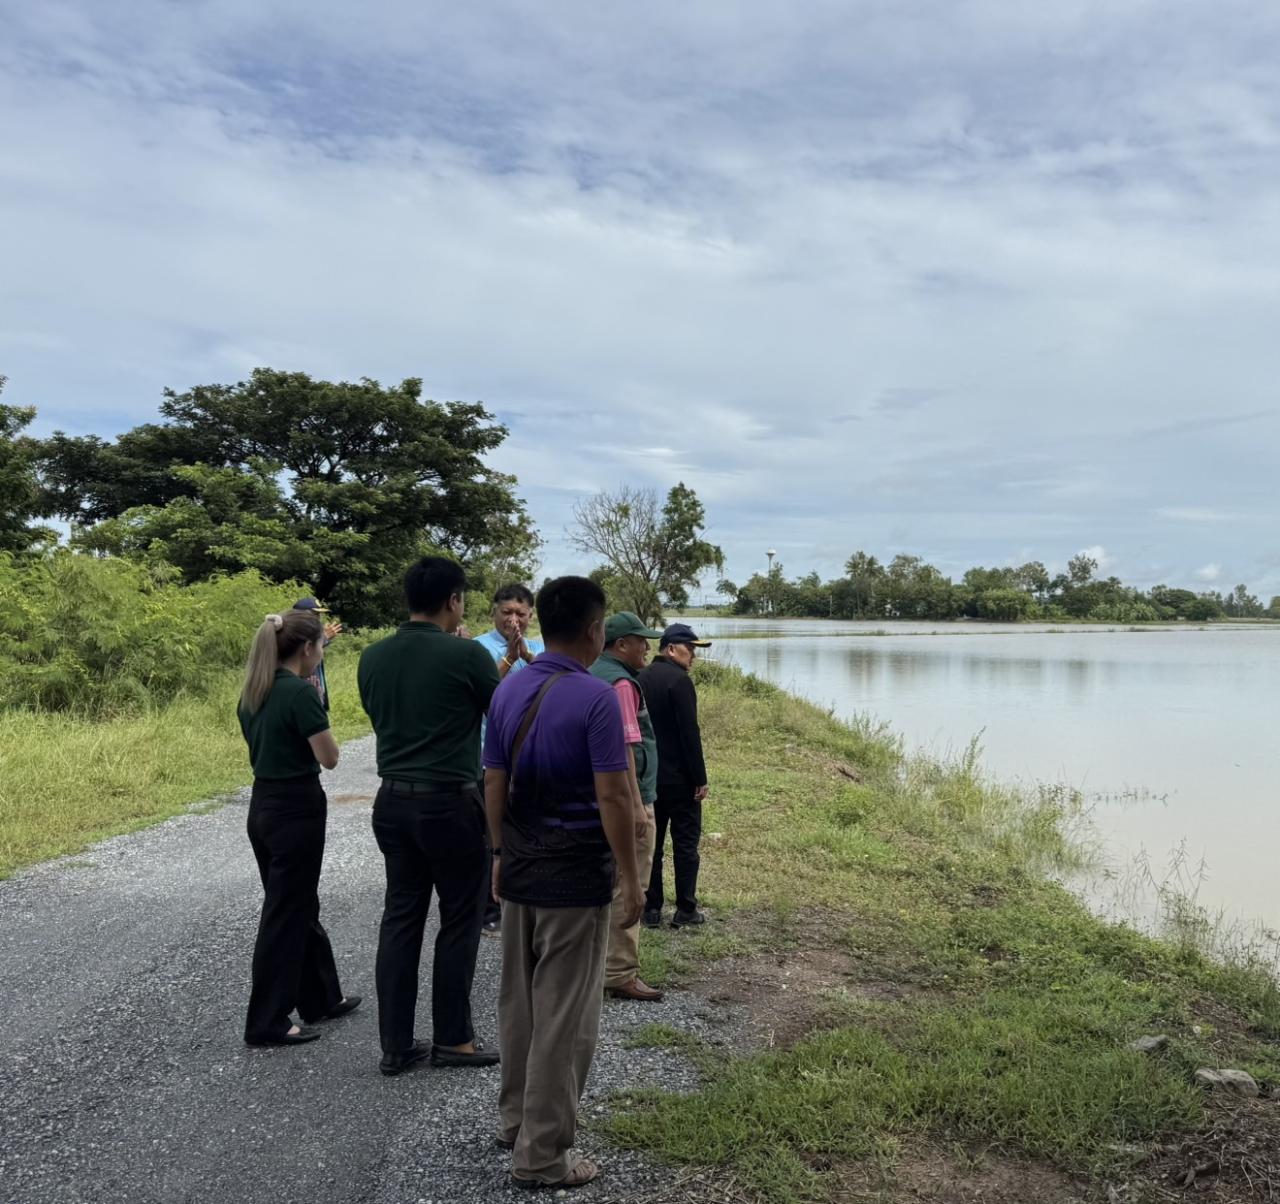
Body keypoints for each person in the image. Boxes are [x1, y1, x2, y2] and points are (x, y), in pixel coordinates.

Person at [483, 576, 642, 1190]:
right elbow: (614, 795)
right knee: (565, 1019)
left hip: (520, 868)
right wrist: (631, 879)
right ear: (595, 629)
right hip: (575, 878)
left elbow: (493, 782)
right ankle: (543, 1156)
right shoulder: (597, 698)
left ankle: (515, 1119)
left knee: (519, 1004)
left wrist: (498, 852)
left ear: (540, 622)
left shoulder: (508, 688)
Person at [358, 556, 501, 1076]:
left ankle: (396, 1045)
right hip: (451, 802)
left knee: (400, 919)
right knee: (459, 919)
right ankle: (454, 1039)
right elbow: (503, 722)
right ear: (454, 601)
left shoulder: (371, 657)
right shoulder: (466, 657)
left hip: (392, 802)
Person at [237, 609, 360, 1046]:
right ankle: (266, 1019)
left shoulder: (254, 690)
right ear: (307, 648)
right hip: (296, 806)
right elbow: (329, 757)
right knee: (286, 912)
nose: (322, 652)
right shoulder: (299, 693)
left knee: (297, 902)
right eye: (321, 646)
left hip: (263, 804)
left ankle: (321, 996)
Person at [590, 612, 665, 1002]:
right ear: (621, 645)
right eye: (641, 641)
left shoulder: (593, 670)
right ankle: (619, 971)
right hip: (627, 799)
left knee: (606, 880)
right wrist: (637, 806)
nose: (647, 648)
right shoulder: (621, 683)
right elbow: (624, 748)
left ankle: (597, 964)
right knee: (630, 881)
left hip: (596, 798)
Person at [473, 584, 545, 932]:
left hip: (535, 756)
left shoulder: (543, 647)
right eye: (507, 613)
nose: (513, 620)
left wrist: (529, 657)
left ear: (531, 615)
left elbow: (558, 683)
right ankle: (490, 907)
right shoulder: (477, 648)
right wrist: (509, 659)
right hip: (492, 756)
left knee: (531, 826)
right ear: (494, 613)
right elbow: (478, 695)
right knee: (492, 831)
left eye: (520, 613)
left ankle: (527, 897)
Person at [640, 623, 712, 929]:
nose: (694, 656)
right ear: (671, 649)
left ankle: (651, 908)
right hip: (681, 781)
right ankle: (686, 908)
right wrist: (700, 777)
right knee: (685, 845)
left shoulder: (639, 678)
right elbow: (689, 734)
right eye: (691, 648)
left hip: (649, 779)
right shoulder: (679, 682)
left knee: (652, 847)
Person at [291, 596, 343, 710]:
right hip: (303, 696)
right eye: (315, 615)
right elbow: (304, 653)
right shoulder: (292, 636)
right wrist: (324, 637)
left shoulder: (312, 637)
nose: (318, 619)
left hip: (315, 692)